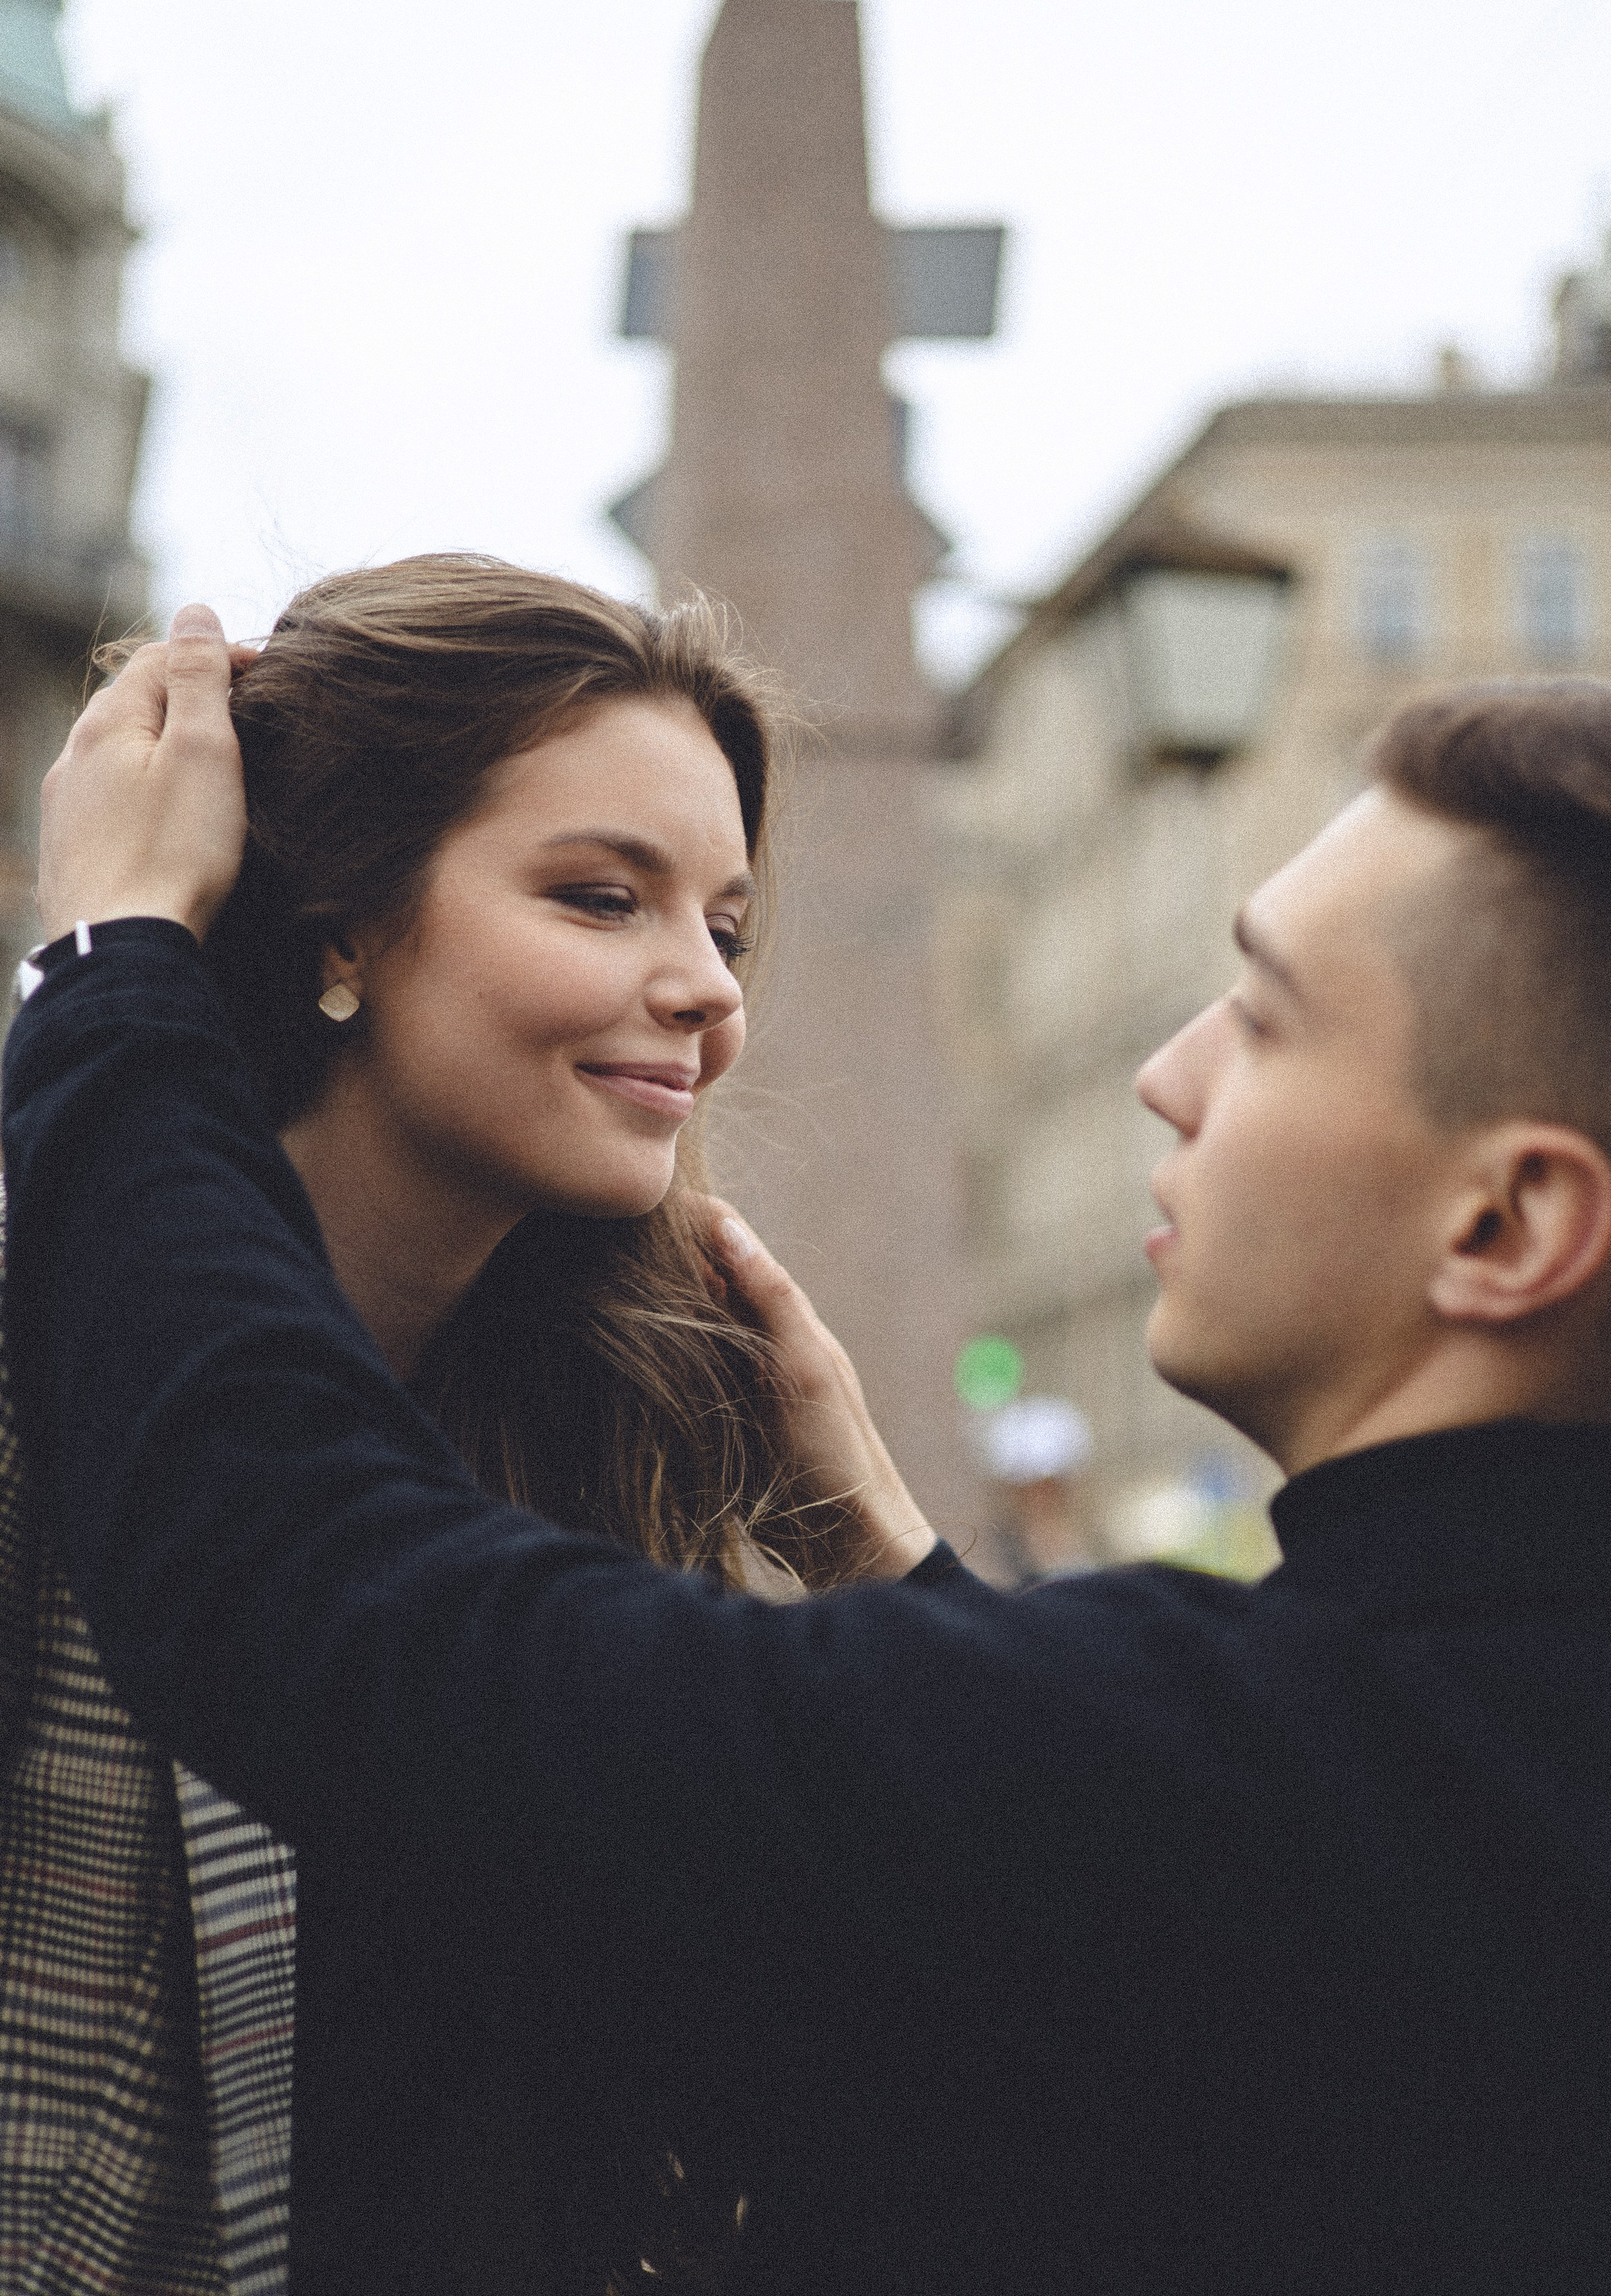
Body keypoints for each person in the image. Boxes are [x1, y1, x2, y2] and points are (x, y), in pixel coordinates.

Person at [9, 622, 1611, 2295]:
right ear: (337, 928)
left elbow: (318, 1605)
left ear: (1508, 1222)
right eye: (602, 895)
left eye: (1270, 1022)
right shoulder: (1458, 1737)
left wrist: (114, 965)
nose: (1167, 1073)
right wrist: (893, 1571)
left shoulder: (1317, 1776)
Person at [0, 568, 931, 2296]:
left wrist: (873, 1537)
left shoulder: (636, 1437)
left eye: (724, 928)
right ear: (339, 926)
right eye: (602, 899)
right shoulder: (37, 1383)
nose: (706, 992)